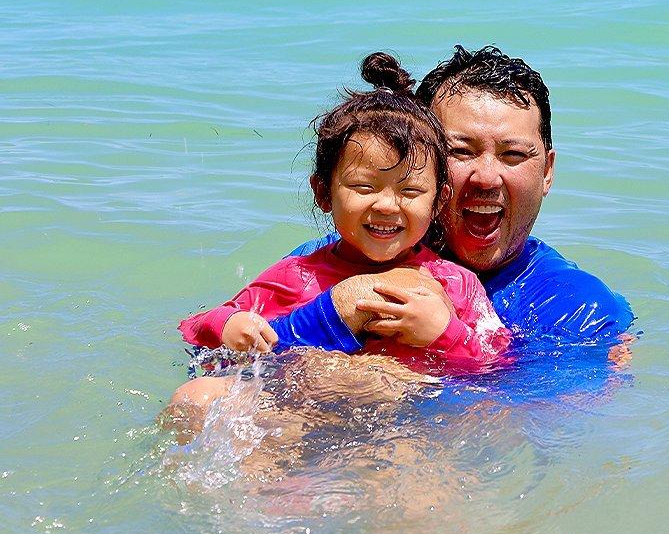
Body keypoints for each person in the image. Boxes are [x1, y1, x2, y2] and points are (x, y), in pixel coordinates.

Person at [281, 46, 635, 374]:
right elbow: (237, 352)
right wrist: (337, 308)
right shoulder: (324, 263)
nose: (486, 178)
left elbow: (545, 419)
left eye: (513, 155)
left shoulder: (579, 310)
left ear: (547, 172)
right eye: (461, 151)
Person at [178, 52, 510, 375]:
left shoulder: (455, 283)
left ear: (439, 201)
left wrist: (444, 332)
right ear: (323, 193)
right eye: (364, 188)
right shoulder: (296, 276)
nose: (386, 205)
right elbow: (194, 331)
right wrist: (228, 324)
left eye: (410, 192)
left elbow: (500, 365)